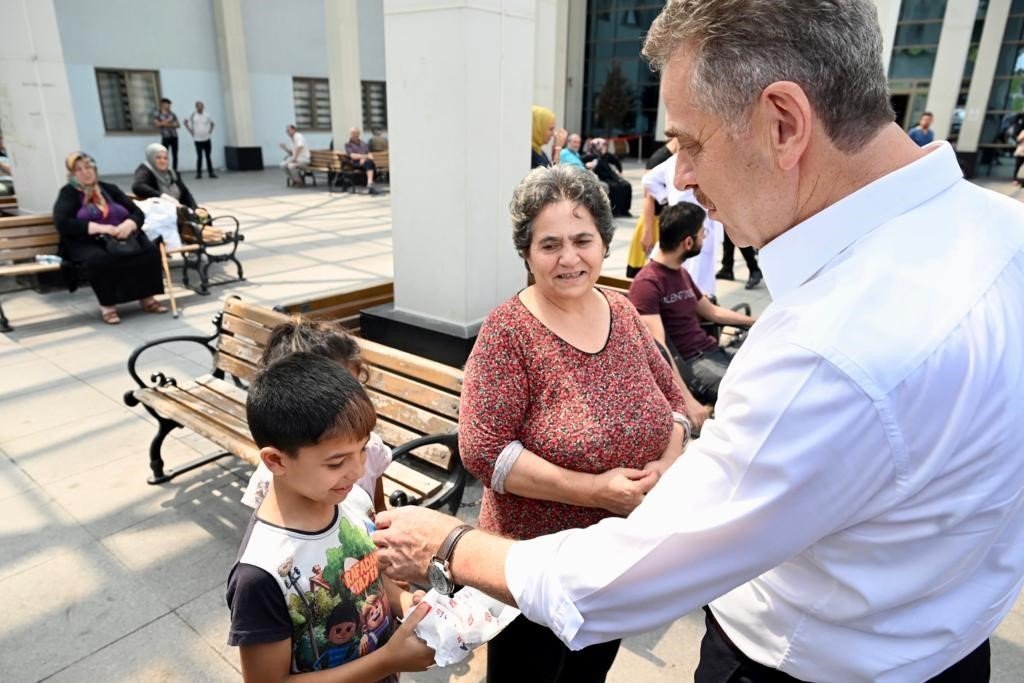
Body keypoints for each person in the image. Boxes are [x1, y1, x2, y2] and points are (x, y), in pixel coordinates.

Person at [373, 1, 1024, 681]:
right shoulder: (1004, 235)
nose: (680, 177)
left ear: (783, 123)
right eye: (550, 243)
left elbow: (617, 578)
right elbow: (488, 446)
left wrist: (449, 540)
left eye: (689, 142)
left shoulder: (828, 348)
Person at [453, 164, 688, 682]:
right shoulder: (508, 332)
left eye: (583, 240)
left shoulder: (623, 311)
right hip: (533, 567)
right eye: (549, 244)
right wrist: (594, 491)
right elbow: (484, 450)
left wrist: (666, 468)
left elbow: (675, 404)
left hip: (613, 559)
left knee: (589, 674)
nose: (569, 258)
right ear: (526, 253)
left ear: (604, 242)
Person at [226, 353, 434, 680]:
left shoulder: (349, 502)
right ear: (276, 461)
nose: (358, 470)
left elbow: (368, 578)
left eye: (363, 449)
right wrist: (387, 661)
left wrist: (407, 604)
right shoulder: (261, 575)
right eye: (336, 463)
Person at [240, 319, 393, 513]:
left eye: (353, 391)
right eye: (336, 463)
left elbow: (378, 508)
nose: (358, 472)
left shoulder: (368, 449)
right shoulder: (271, 481)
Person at [629, 202, 756, 405]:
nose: (704, 237)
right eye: (702, 233)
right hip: (693, 365)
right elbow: (658, 350)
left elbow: (712, 311)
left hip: (711, 351)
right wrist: (687, 401)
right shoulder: (647, 283)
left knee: (764, 370)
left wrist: (757, 322)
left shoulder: (680, 272)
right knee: (752, 393)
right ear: (688, 242)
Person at [53, 152, 166, 324]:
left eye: (88, 167)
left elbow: (136, 212)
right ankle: (108, 306)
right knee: (101, 260)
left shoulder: (109, 189)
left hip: (122, 235)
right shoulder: (69, 193)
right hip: (87, 240)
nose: (86, 172)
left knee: (149, 251)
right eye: (79, 169)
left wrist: (129, 224)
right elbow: (63, 223)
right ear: (72, 173)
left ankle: (147, 298)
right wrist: (99, 227)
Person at [625, 138, 679, 277]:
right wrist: (647, 231)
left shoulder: (674, 157)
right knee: (643, 271)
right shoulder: (659, 159)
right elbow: (648, 196)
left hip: (664, 222)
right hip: (653, 222)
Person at [583, 138, 633, 217]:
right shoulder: (591, 155)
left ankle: (625, 210)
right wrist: (588, 165)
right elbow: (584, 163)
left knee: (626, 185)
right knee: (614, 187)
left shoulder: (606, 155)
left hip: (612, 176)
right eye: (602, 145)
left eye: (605, 145)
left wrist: (620, 171)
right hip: (602, 177)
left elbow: (616, 161)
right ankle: (615, 211)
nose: (604, 147)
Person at [343, 128, 382, 195]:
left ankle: (369, 183)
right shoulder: (348, 144)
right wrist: (364, 157)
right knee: (370, 164)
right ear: (351, 134)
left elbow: (368, 152)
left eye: (357, 133)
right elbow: (352, 156)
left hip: (365, 163)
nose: (356, 135)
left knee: (369, 163)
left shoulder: (363, 143)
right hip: (356, 163)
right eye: (354, 133)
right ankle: (370, 184)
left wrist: (367, 157)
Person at [184, 100, 217, 179]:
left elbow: (212, 123)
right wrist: (190, 131)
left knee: (208, 156)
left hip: (207, 139)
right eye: (198, 107)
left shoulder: (207, 115)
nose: (200, 108)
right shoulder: (192, 115)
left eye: (201, 107)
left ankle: (211, 172)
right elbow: (185, 122)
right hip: (197, 139)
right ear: (196, 107)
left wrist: (210, 131)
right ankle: (199, 173)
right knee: (199, 156)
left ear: (203, 107)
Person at [153, 98, 180, 171]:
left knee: (175, 155)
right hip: (165, 137)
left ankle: (174, 170)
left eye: (169, 105)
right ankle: (164, 169)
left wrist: (165, 124)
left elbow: (177, 125)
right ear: (163, 105)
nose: (169, 106)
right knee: (163, 155)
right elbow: (157, 125)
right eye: (167, 105)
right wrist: (168, 122)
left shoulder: (172, 114)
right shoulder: (158, 114)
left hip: (174, 136)